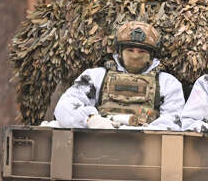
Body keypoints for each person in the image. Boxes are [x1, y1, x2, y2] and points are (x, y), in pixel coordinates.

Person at [54, 21, 184, 130]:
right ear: (120, 52)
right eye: (130, 50)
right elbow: (65, 106)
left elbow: (173, 120)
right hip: (98, 141)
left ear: (151, 55)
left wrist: (140, 131)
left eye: (141, 51)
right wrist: (90, 120)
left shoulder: (167, 83)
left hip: (146, 146)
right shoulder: (96, 76)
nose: (135, 55)